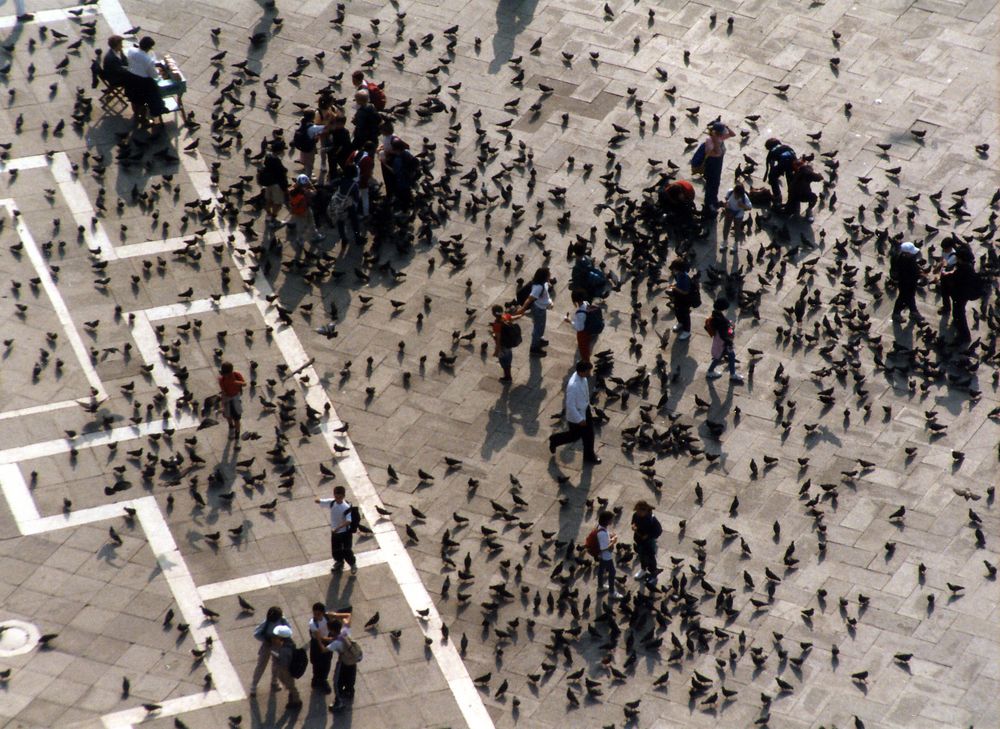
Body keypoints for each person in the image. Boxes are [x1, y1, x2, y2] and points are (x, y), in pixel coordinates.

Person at [548, 361, 601, 465]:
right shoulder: (573, 386)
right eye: (588, 371)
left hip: (584, 410)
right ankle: (555, 439)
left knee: (589, 435)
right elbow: (570, 405)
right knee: (574, 436)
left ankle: (589, 456)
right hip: (577, 416)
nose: (589, 373)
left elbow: (585, 394)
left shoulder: (583, 378)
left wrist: (588, 406)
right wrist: (580, 419)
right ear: (582, 371)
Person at [315, 486, 357, 575]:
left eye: (339, 496)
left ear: (343, 496)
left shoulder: (346, 507)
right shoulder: (332, 502)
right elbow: (321, 501)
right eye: (336, 496)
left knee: (346, 550)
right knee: (336, 549)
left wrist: (338, 528)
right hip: (335, 532)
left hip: (345, 532)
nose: (337, 498)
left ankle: (353, 565)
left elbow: (349, 521)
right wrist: (317, 499)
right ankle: (339, 562)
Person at [249, 606, 289, 697]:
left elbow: (288, 629)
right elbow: (256, 634)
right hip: (267, 645)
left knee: (276, 665)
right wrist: (267, 640)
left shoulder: (282, 620)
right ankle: (254, 685)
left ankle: (274, 682)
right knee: (261, 665)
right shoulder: (266, 623)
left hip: (277, 646)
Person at [125, 36, 168, 119]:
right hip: (142, 82)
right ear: (148, 48)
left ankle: (136, 114)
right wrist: (159, 73)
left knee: (133, 98)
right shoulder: (148, 59)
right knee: (144, 100)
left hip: (130, 77)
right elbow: (154, 75)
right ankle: (143, 118)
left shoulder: (131, 50)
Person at [516, 266, 554, 356]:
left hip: (542, 308)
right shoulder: (538, 287)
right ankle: (534, 348)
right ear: (544, 276)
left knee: (541, 326)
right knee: (538, 328)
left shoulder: (543, 283)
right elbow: (530, 298)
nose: (550, 276)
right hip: (539, 309)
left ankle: (539, 339)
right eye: (549, 275)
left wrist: (548, 285)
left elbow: (545, 291)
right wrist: (522, 309)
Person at [705, 298, 743, 383]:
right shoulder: (721, 320)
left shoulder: (715, 314)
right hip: (724, 341)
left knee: (719, 356)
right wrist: (729, 340)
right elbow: (723, 333)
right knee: (729, 356)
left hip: (719, 340)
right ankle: (732, 375)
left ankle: (711, 371)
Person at [944, 245, 976, 346]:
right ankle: (957, 323)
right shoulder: (968, 265)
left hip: (960, 295)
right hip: (963, 295)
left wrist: (947, 274)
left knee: (959, 314)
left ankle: (964, 336)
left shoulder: (964, 269)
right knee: (958, 311)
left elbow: (955, 279)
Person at [326, 611, 357, 712]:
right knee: (350, 678)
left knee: (337, 682)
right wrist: (335, 615)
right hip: (352, 660)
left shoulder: (336, 643)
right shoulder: (345, 631)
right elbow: (348, 615)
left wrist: (318, 637)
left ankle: (339, 702)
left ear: (332, 631)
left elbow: (323, 649)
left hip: (343, 662)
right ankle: (349, 691)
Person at [702, 121, 735, 214]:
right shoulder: (710, 140)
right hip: (712, 164)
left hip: (718, 164)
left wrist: (726, 126)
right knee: (711, 185)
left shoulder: (719, 137)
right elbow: (718, 153)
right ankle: (709, 204)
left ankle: (714, 201)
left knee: (716, 184)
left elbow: (733, 134)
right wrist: (715, 140)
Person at [269, 624, 302, 709]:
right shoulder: (290, 644)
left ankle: (296, 701)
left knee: (290, 685)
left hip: (285, 669)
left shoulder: (284, 650)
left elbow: (283, 662)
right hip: (288, 667)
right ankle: (293, 695)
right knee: (288, 683)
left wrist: (274, 654)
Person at [631, 501, 662, 589]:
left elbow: (658, 531)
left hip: (648, 542)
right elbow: (633, 521)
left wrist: (648, 536)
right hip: (639, 540)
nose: (638, 513)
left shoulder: (652, 519)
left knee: (650, 557)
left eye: (639, 511)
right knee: (641, 555)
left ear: (645, 511)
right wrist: (633, 526)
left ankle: (653, 574)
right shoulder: (636, 515)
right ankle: (643, 569)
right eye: (637, 511)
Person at [890, 241, 922, 324]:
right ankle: (897, 313)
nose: (914, 254)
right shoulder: (901, 261)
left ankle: (913, 312)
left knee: (910, 295)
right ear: (905, 253)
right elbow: (904, 273)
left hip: (911, 281)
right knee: (903, 297)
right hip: (905, 282)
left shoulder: (908, 257)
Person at [287, 174, 324, 244]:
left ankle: (311, 236)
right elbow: (315, 193)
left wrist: (295, 185)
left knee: (302, 224)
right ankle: (307, 237)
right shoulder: (307, 191)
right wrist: (310, 184)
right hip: (305, 209)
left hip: (297, 211)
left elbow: (289, 191)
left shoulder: (292, 190)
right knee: (309, 223)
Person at [491, 304, 523, 382]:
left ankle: (507, 377)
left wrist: (496, 350)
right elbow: (513, 318)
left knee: (503, 361)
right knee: (508, 358)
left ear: (493, 314)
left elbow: (498, 339)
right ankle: (508, 374)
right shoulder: (506, 317)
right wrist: (521, 315)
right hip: (509, 343)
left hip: (503, 345)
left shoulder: (497, 324)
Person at [565, 290, 597, 364]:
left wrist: (569, 321)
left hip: (583, 333)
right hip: (589, 329)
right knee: (587, 346)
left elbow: (579, 328)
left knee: (583, 349)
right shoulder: (586, 303)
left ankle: (586, 363)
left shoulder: (580, 313)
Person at [763, 138, 797, 206]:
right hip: (794, 163)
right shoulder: (787, 147)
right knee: (791, 181)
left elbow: (772, 165)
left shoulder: (772, 152)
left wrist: (774, 173)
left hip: (784, 162)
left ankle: (777, 196)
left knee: (772, 176)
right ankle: (793, 199)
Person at [594, 510, 620, 598]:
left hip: (602, 556)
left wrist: (611, 536)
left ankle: (600, 587)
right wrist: (614, 541)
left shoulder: (600, 527)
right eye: (611, 519)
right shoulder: (602, 534)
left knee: (601, 570)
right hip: (606, 556)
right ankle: (611, 592)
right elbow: (603, 547)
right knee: (612, 572)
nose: (612, 521)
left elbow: (605, 536)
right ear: (607, 521)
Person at [308, 602, 333, 693]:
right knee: (317, 663)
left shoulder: (327, 617)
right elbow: (319, 638)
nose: (316, 616)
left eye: (318, 614)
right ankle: (316, 679)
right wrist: (331, 639)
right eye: (314, 614)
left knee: (326, 663)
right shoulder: (313, 624)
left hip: (326, 642)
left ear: (323, 613)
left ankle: (323, 680)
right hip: (317, 645)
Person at [218, 361, 247, 439]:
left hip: (235, 397)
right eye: (224, 374)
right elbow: (223, 392)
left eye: (227, 374)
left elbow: (244, 384)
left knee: (237, 418)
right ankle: (231, 427)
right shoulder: (222, 379)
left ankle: (237, 434)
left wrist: (236, 382)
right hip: (227, 398)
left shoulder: (236, 375)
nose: (226, 376)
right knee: (228, 415)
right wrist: (223, 404)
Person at [257, 154, 288, 226]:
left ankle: (268, 215)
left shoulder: (265, 169)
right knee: (277, 203)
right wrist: (285, 190)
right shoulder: (279, 170)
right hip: (277, 187)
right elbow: (283, 181)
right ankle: (273, 219)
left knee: (268, 200)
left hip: (268, 186)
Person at [345, 144, 375, 218]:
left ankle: (352, 213)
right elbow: (367, 174)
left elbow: (347, 163)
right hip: (361, 182)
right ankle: (365, 213)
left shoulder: (355, 152)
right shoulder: (368, 159)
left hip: (351, 180)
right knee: (365, 197)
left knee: (352, 197)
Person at [322, 113, 353, 181]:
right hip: (332, 152)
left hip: (341, 154)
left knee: (344, 166)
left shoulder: (344, 133)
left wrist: (335, 153)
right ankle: (333, 177)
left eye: (338, 123)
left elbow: (343, 146)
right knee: (332, 167)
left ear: (342, 124)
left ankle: (347, 177)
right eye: (335, 123)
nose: (336, 125)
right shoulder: (334, 130)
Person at [668, 257, 693, 340]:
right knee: (677, 311)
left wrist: (675, 288)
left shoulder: (684, 278)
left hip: (684, 299)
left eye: (674, 268)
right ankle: (680, 323)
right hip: (678, 298)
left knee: (685, 314)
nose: (673, 269)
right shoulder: (679, 274)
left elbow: (685, 292)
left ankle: (687, 331)